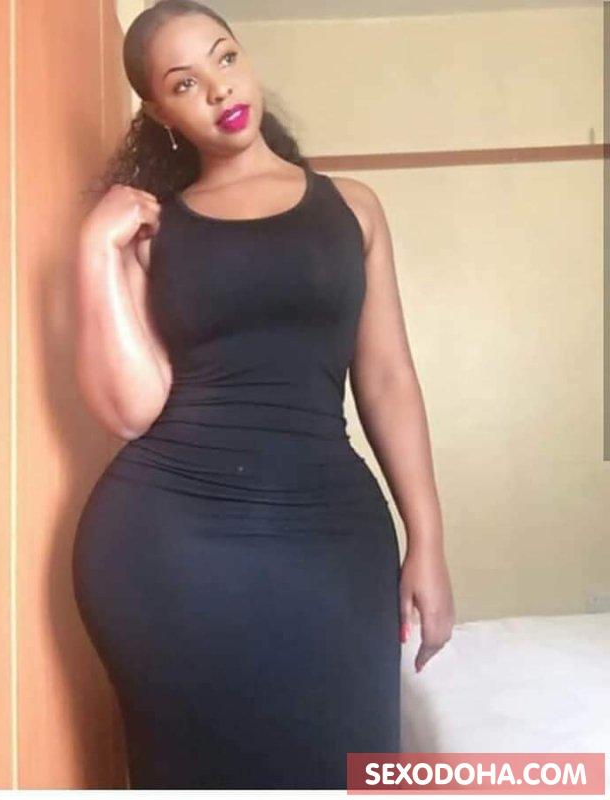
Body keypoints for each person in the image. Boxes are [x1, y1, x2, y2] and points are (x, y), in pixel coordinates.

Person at [71, 0, 455, 790]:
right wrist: (93, 251)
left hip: (333, 538)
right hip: (170, 544)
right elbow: (132, 409)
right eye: (184, 83)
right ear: (161, 114)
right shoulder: (154, 230)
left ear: (245, 58)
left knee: (348, 763)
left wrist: (429, 541)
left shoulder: (352, 207)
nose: (217, 88)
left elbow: (388, 378)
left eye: (224, 57)